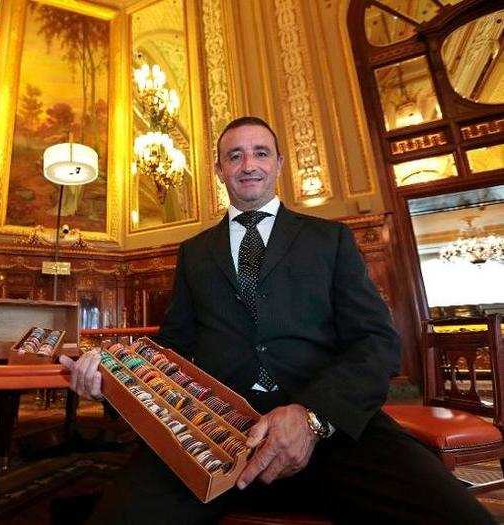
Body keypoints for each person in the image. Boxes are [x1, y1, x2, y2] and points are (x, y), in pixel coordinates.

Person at [60, 116, 495, 524]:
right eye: (235, 156)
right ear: (219, 170)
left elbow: (376, 341)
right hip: (212, 433)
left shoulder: (330, 239)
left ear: (279, 164)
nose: (248, 165)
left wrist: (311, 416)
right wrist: (114, 381)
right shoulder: (194, 252)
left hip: (332, 428)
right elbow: (172, 349)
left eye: (261, 153)